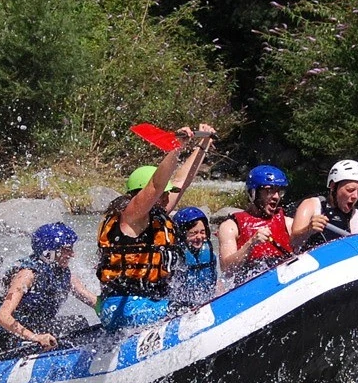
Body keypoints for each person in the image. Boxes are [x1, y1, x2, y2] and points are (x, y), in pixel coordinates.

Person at [97, 124, 215, 330]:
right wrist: (176, 148)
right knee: (188, 313)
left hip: (151, 301)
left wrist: (202, 146)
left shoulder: (156, 213)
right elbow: (156, 186)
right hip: (120, 305)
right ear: (141, 194)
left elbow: (181, 181)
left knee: (193, 306)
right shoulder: (130, 217)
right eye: (164, 193)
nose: (168, 196)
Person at [0, 223, 97, 352]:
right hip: (10, 339)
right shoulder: (27, 275)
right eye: (67, 249)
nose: (72, 254)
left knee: (78, 322)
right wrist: (35, 337)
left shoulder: (64, 273)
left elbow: (92, 300)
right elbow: (3, 317)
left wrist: (113, 310)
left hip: (37, 328)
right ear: (49, 252)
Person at [216, 164, 294, 282]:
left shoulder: (288, 223)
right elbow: (227, 269)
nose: (276, 197)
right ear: (253, 193)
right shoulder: (230, 226)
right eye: (269, 191)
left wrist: (308, 229)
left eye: (279, 191)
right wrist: (251, 243)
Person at [291, 159, 358, 247]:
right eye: (350, 190)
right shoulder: (311, 205)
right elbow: (293, 243)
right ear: (333, 186)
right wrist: (308, 230)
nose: (355, 196)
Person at [170, 206, 218, 304]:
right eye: (193, 233)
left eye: (202, 232)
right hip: (181, 304)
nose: (199, 237)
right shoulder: (175, 257)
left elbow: (216, 281)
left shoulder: (209, 253)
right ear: (182, 234)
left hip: (206, 299)